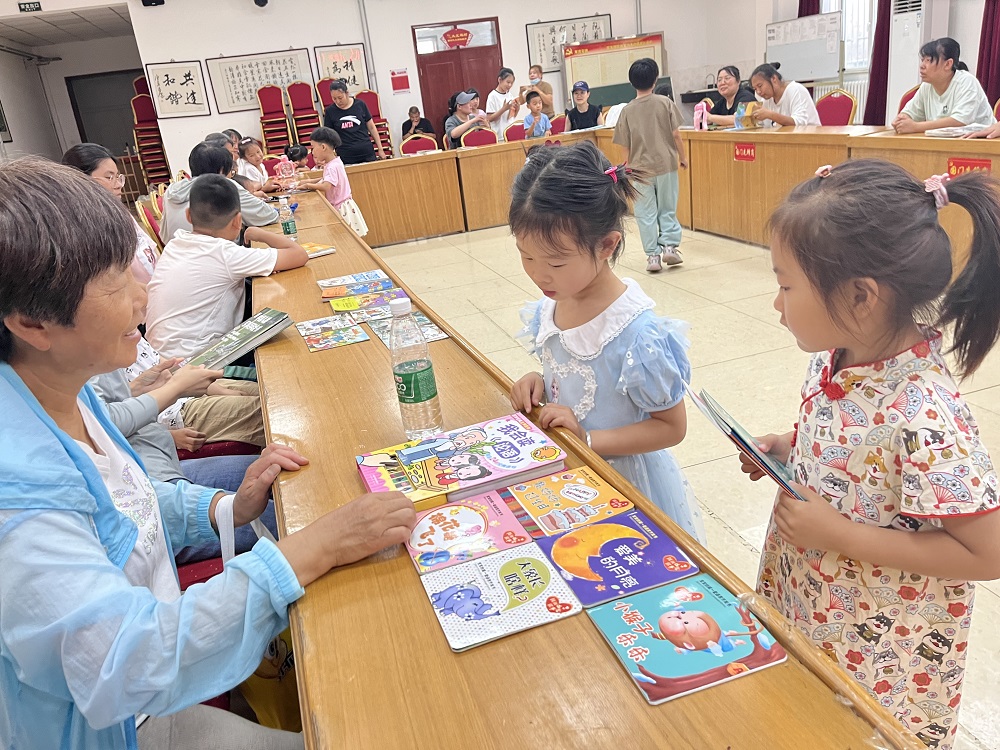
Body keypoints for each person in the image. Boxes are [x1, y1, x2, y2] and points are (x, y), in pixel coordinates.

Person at [0, 156, 417, 750]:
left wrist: (227, 508)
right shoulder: (19, 496)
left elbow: (124, 506)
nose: (143, 295)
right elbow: (128, 660)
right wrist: (311, 550)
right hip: (121, 725)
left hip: (152, 700)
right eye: (116, 282)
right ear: (33, 323)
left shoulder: (60, 391)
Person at [743, 159, 1000, 750]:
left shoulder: (926, 415)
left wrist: (842, 535)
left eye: (786, 285)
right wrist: (790, 448)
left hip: (883, 655)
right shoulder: (837, 356)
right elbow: (856, 449)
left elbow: (987, 553)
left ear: (860, 296)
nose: (776, 304)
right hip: (812, 606)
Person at [508, 142, 705, 542]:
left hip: (623, 485)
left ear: (607, 245)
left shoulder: (637, 334)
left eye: (556, 262)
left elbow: (671, 427)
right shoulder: (553, 303)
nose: (539, 275)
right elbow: (574, 375)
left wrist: (588, 440)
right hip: (571, 477)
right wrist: (539, 382)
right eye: (526, 257)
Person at [146, 174, 308, 360]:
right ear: (238, 220)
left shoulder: (175, 244)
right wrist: (259, 234)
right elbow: (299, 255)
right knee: (286, 355)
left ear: (188, 215)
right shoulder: (226, 254)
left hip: (157, 359)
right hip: (196, 363)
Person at [613, 57, 687, 271]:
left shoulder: (627, 111)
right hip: (665, 164)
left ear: (631, 82)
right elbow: (676, 134)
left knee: (645, 213)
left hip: (639, 170)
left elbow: (624, 144)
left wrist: (627, 167)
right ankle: (670, 247)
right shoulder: (665, 103)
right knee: (667, 207)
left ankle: (653, 257)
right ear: (655, 80)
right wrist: (683, 157)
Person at [61, 143, 159, 284]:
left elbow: (151, 253)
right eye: (109, 177)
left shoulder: (120, 213)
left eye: (118, 177)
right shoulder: (82, 232)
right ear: (81, 181)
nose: (119, 184)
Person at [160, 142, 278, 242]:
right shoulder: (222, 186)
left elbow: (164, 234)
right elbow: (267, 215)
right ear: (222, 170)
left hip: (175, 253)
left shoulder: (172, 189)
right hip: (215, 256)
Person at [893, 38, 995, 134]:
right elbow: (910, 113)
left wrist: (915, 127)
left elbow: (959, 121)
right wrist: (901, 120)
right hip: (943, 142)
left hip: (982, 141)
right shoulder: (926, 86)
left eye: (928, 60)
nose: (922, 66)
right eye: (922, 60)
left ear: (948, 64)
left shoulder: (967, 82)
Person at [298, 126, 369, 237]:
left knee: (344, 237)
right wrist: (310, 180)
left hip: (340, 207)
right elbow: (327, 179)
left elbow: (326, 186)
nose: (312, 153)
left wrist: (308, 185)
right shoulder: (335, 162)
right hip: (345, 204)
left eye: (313, 148)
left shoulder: (331, 167)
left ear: (323, 147)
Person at [322, 79, 385, 164]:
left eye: (340, 98)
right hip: (345, 155)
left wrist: (380, 149)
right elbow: (328, 137)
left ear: (347, 93)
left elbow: (371, 127)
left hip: (366, 152)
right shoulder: (330, 111)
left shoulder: (360, 104)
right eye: (334, 98)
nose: (338, 101)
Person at [749, 63, 821, 127]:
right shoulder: (767, 100)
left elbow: (799, 123)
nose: (758, 92)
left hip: (809, 135)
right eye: (755, 89)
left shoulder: (796, 90)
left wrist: (770, 115)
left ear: (774, 79)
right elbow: (762, 125)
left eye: (760, 86)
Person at [486, 67, 520, 139]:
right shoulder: (492, 96)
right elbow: (489, 118)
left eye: (512, 83)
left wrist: (517, 109)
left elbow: (511, 116)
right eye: (508, 82)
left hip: (510, 132)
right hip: (499, 135)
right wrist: (504, 109)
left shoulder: (509, 95)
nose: (510, 85)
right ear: (500, 80)